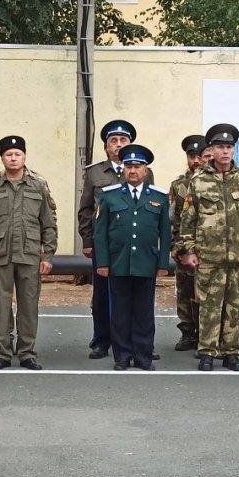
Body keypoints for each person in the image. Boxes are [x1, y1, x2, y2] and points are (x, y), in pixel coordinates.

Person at [177, 123, 239, 372]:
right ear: (211, 151)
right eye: (220, 147)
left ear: (233, 150)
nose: (225, 152)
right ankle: (207, 351)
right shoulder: (199, 182)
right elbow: (188, 220)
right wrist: (189, 249)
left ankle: (230, 352)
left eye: (228, 147)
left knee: (234, 306)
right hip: (208, 255)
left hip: (238, 255)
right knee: (209, 305)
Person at [0, 135, 57, 370]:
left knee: (29, 306)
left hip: (30, 254)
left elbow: (48, 222)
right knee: (0, 306)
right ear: (2, 158)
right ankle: (2, 353)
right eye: (8, 155)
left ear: (24, 156)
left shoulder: (38, 184)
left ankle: (26, 352)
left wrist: (48, 255)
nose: (13, 158)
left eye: (17, 154)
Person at [77, 120, 153, 359]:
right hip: (105, 243)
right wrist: (88, 241)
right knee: (102, 294)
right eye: (114, 141)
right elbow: (86, 209)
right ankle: (101, 340)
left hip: (134, 243)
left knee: (135, 293)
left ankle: (136, 343)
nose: (119, 145)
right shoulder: (95, 172)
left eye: (123, 141)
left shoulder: (142, 170)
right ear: (106, 147)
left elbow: (151, 206)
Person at [94, 145, 171, 370]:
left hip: (146, 263)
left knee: (144, 312)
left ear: (146, 170)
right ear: (123, 170)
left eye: (137, 166)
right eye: (128, 166)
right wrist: (103, 263)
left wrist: (163, 263)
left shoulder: (159, 197)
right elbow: (101, 233)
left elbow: (165, 234)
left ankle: (143, 355)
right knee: (120, 312)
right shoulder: (110, 196)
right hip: (119, 263)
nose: (133, 171)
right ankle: (122, 356)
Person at [169, 135, 207, 351]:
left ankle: (206, 333)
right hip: (184, 246)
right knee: (184, 290)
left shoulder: (213, 182)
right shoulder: (179, 185)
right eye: (191, 156)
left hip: (208, 247)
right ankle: (187, 332)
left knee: (204, 293)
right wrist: (176, 246)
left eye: (198, 156)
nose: (195, 161)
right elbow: (174, 219)